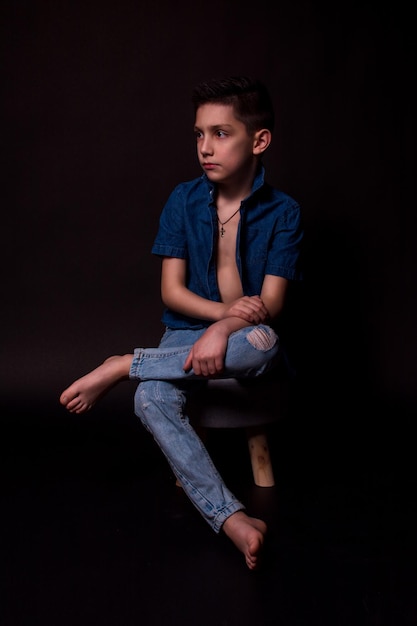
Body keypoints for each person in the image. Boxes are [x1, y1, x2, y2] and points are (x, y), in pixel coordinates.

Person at [60, 76, 303, 570]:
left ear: (258, 141)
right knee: (151, 397)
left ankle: (126, 364)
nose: (205, 148)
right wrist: (219, 320)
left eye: (220, 133)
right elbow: (172, 292)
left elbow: (271, 304)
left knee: (265, 345)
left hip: (248, 340)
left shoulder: (285, 212)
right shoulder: (182, 200)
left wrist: (225, 331)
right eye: (198, 135)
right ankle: (230, 516)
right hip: (189, 334)